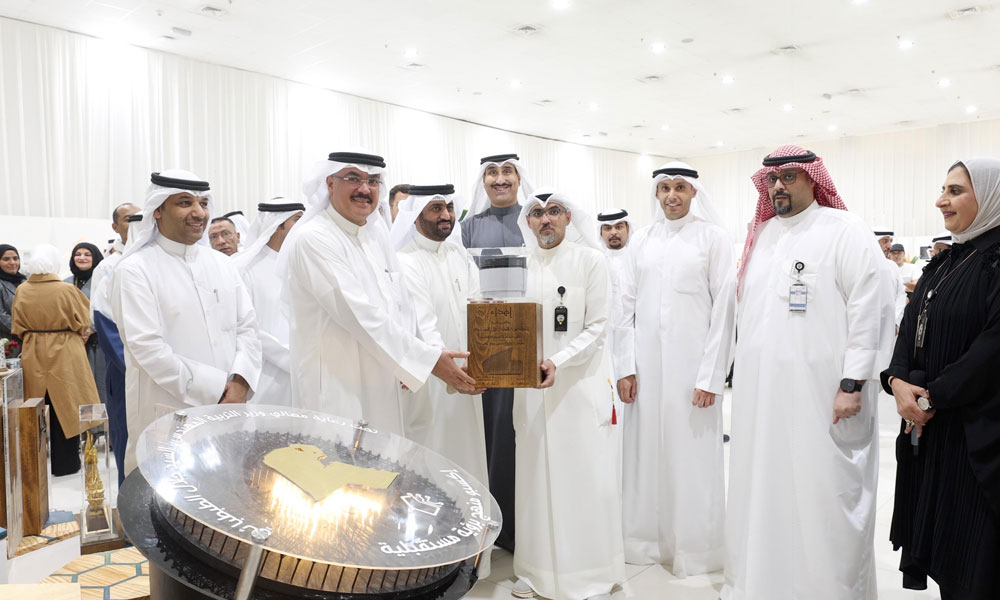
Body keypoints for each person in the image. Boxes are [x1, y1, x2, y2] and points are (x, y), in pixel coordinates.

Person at [723, 145, 892, 599]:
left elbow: (869, 310)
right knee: (766, 489)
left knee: (824, 495)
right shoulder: (761, 236)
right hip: (762, 398)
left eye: (789, 177)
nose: (778, 186)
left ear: (813, 179)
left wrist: (852, 382)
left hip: (825, 396)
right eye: (771, 180)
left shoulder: (844, 229)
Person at [282, 151, 476, 435]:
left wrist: (417, 358)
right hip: (336, 390)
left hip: (384, 382)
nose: (365, 189)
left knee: (383, 458)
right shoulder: (314, 238)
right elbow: (360, 315)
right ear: (330, 184)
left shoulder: (375, 234)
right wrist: (427, 361)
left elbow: (400, 305)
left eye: (373, 181)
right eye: (353, 178)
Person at [882, 157, 1000, 598]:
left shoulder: (995, 262)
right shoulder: (946, 262)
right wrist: (896, 381)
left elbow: (991, 350)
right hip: (934, 435)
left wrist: (931, 398)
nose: (940, 200)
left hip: (976, 436)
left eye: (955, 191)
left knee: (977, 562)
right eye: (943, 190)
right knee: (948, 557)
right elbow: (910, 328)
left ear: (990, 197)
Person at [614, 162, 736, 574]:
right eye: (664, 187)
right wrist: (624, 367)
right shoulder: (642, 241)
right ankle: (645, 542)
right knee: (645, 455)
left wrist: (711, 377)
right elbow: (624, 307)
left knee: (691, 458)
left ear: (693, 192)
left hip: (693, 373)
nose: (672, 195)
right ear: (656, 193)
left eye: (680, 187)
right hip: (645, 371)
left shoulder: (713, 238)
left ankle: (695, 549)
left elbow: (724, 311)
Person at [510, 188, 625, 600]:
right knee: (534, 480)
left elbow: (598, 327)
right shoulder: (520, 265)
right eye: (537, 213)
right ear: (527, 222)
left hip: (578, 387)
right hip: (531, 390)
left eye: (554, 211)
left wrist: (559, 361)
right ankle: (534, 571)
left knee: (583, 478)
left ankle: (590, 575)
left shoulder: (590, 261)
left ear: (568, 218)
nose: (546, 220)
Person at [111, 170, 262, 475]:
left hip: (230, 411)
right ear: (158, 210)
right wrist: (218, 389)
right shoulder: (134, 270)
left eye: (203, 203)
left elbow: (247, 327)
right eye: (184, 203)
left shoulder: (222, 264)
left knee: (228, 488)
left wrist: (241, 382)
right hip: (170, 416)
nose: (198, 212)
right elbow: (148, 348)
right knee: (171, 496)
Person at [391, 185, 491, 572]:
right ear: (415, 213)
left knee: (467, 466)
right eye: (436, 208)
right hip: (429, 388)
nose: (446, 215)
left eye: (449, 207)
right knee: (429, 469)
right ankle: (429, 562)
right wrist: (448, 371)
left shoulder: (458, 255)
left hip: (467, 383)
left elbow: (479, 310)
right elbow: (424, 325)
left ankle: (472, 557)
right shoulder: (404, 261)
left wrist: (485, 361)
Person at [459, 152, 535, 552]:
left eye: (507, 172)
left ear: (520, 179)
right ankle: (492, 524)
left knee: (522, 432)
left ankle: (527, 525)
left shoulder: (535, 220)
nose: (500, 179)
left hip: (529, 346)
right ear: (483, 180)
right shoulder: (468, 228)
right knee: (489, 433)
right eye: (492, 172)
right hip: (484, 348)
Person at [12, 244, 101, 476]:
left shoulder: (22, 290)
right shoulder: (66, 290)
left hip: (33, 350)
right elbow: (84, 320)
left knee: (35, 406)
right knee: (68, 404)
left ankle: (35, 464)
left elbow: (17, 325)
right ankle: (67, 463)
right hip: (65, 350)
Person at [232, 197, 305, 406]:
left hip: (305, 371)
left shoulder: (302, 262)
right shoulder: (244, 268)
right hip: (264, 373)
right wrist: (290, 359)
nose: (303, 225)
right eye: (297, 219)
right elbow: (246, 326)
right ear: (277, 225)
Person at [91, 207, 141, 483]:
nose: (136, 225)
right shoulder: (110, 266)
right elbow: (102, 320)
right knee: (128, 436)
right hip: (126, 369)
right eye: (129, 220)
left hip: (164, 374)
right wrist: (139, 369)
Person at [64, 242, 108, 405]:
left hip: (100, 341)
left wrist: (90, 329)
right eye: (78, 254)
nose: (82, 258)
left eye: (87, 254)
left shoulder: (104, 280)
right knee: (78, 386)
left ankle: (103, 421)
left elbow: (107, 308)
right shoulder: (65, 283)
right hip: (73, 341)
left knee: (100, 385)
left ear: (95, 257)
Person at [1, 244, 26, 349]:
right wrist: (22, 331)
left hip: (30, 339)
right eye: (6, 259)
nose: (12, 263)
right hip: (8, 342)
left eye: (15, 258)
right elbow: (1, 316)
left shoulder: (25, 280)